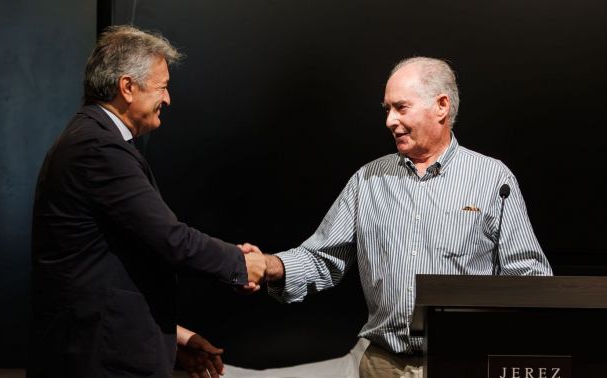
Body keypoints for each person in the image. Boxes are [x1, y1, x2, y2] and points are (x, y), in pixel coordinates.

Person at [242, 56, 553, 378]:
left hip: (461, 364)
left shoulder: (492, 178)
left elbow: (529, 276)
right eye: (387, 109)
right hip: (380, 364)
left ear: (442, 106)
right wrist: (269, 265)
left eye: (401, 108)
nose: (390, 121)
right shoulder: (368, 180)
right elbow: (321, 258)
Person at [30, 25, 265, 378]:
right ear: (128, 87)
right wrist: (240, 263)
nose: (168, 99)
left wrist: (174, 338)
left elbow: (117, 264)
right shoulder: (98, 148)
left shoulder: (93, 139)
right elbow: (169, 239)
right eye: (163, 87)